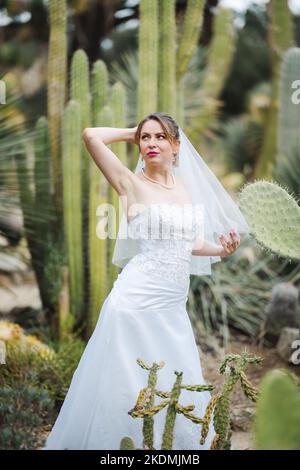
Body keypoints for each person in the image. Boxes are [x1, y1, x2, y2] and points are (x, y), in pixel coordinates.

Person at [43, 112, 249, 450]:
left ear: (177, 146)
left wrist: (222, 251)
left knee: (173, 374)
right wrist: (133, 132)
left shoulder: (185, 189)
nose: (152, 143)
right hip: (134, 301)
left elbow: (193, 244)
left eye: (161, 137)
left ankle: (166, 447)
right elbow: (91, 134)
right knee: (126, 380)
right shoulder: (129, 182)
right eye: (146, 138)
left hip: (171, 305)